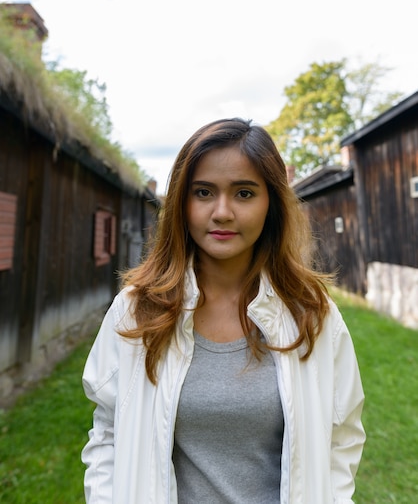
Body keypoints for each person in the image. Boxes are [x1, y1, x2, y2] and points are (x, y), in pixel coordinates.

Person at [81, 118, 365, 504]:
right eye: (203, 192)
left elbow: (341, 436)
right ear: (182, 202)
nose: (222, 212)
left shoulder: (313, 315)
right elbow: (108, 434)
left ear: (272, 204)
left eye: (244, 193)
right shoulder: (136, 311)